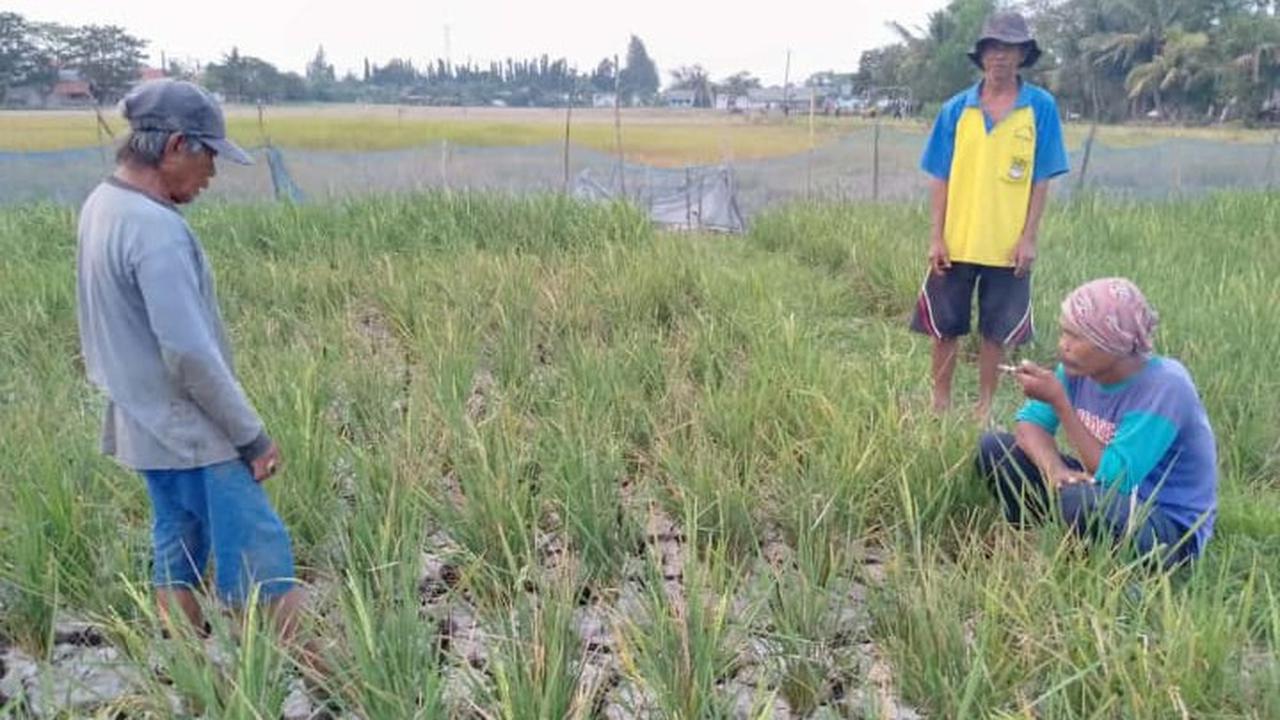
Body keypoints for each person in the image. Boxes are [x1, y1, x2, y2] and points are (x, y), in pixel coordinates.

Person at [75, 80, 316, 656]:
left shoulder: (101, 205)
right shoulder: (155, 230)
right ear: (176, 146)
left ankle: (186, 681)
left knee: (176, 549)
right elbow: (188, 352)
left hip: (143, 425)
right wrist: (250, 435)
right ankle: (339, 689)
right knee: (263, 556)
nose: (211, 174)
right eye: (209, 156)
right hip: (193, 433)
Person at [976, 278, 1218, 567]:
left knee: (1082, 501)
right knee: (995, 449)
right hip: (1104, 493)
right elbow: (1029, 426)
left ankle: (1114, 570)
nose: (1063, 346)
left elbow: (1116, 479)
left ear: (1113, 343)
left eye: (1076, 337)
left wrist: (1061, 404)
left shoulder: (1165, 388)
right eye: (1064, 333)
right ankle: (1032, 539)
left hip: (1167, 526)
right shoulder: (1077, 370)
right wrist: (1056, 472)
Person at [912, 11, 1070, 418]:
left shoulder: (1039, 108)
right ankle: (940, 403)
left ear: (1022, 55)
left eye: (1010, 48)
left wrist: (1029, 238)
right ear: (981, 55)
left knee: (995, 333)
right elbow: (940, 177)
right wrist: (937, 236)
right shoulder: (955, 110)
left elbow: (1040, 179)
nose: (1000, 56)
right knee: (944, 328)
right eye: (993, 48)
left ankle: (984, 407)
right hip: (957, 241)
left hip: (1007, 245)